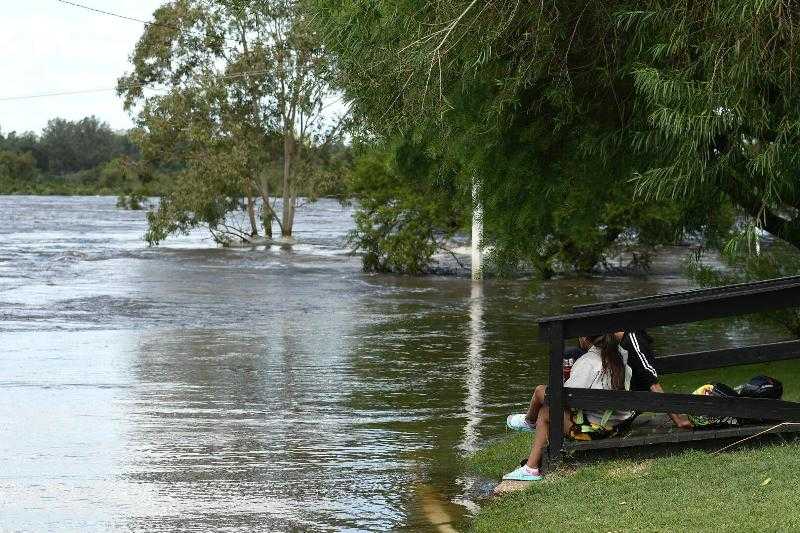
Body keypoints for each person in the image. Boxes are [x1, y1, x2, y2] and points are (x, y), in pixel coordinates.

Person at [502, 334, 633, 481]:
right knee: (544, 397)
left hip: (598, 431)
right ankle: (531, 426)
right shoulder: (620, 355)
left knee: (547, 410)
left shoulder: (588, 361)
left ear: (584, 338)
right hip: (618, 424)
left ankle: (531, 466)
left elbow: (565, 399)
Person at [507, 330, 691, 433]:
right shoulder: (619, 357)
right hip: (618, 416)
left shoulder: (594, 359)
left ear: (585, 338)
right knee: (550, 401)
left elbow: (653, 382)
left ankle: (530, 426)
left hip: (603, 425)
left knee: (546, 399)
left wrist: (678, 420)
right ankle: (531, 438)